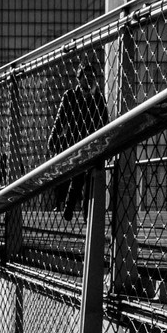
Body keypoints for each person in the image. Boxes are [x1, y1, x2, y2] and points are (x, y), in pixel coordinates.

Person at [47, 60, 109, 221]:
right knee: (77, 177)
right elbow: (60, 120)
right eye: (85, 76)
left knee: (88, 179)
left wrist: (105, 143)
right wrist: (53, 139)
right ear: (79, 78)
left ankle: (85, 212)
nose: (89, 79)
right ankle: (69, 207)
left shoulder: (98, 98)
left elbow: (105, 121)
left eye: (92, 76)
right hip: (75, 142)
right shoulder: (70, 96)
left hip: (92, 143)